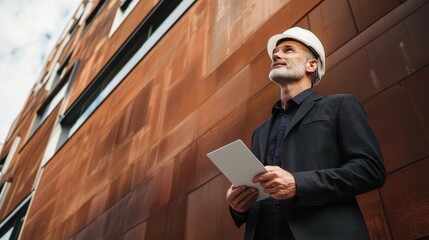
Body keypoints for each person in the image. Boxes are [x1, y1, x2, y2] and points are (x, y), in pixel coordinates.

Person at [226, 27, 386, 240]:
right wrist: (239, 206)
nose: (276, 55)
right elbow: (260, 195)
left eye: (288, 50)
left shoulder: (340, 105)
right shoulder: (259, 133)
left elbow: (370, 170)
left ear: (311, 64)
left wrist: (299, 184)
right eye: (276, 52)